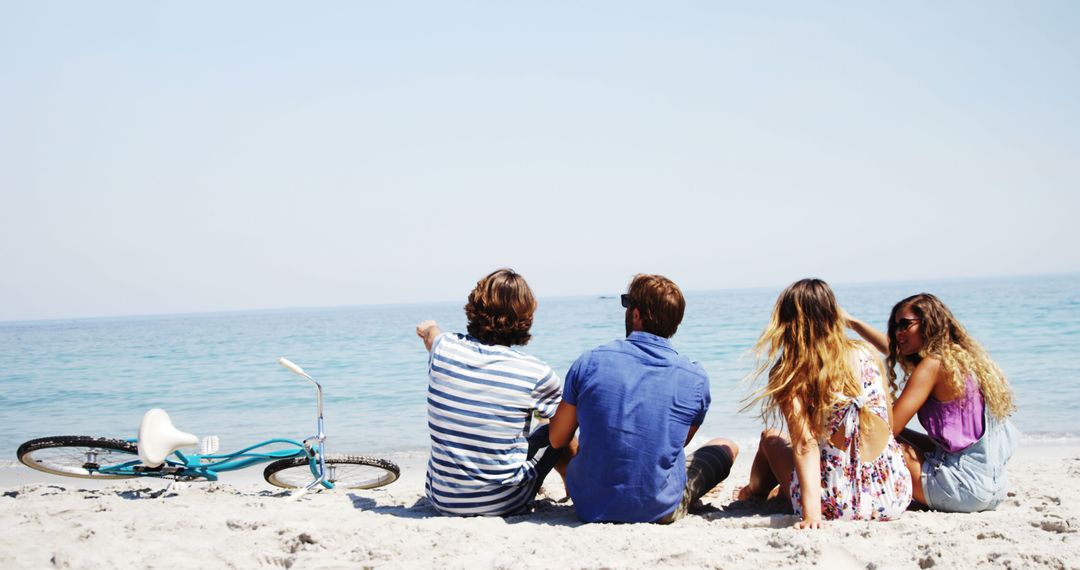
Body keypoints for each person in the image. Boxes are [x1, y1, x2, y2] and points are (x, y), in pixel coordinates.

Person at [548, 273, 738, 523]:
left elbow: (556, 438)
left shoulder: (590, 362)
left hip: (589, 505)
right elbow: (676, 444)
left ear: (636, 315)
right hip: (658, 510)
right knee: (726, 446)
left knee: (563, 427)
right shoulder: (695, 377)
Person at [739, 279, 912, 528]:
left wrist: (812, 516)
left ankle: (751, 492)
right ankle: (757, 491)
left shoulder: (792, 370)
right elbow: (888, 425)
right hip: (891, 495)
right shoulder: (867, 353)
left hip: (834, 502)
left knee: (770, 439)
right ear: (834, 315)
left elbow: (804, 445)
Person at [845, 293, 1019, 513]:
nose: (899, 331)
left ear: (929, 323)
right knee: (901, 436)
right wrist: (853, 323)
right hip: (991, 489)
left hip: (961, 489)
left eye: (905, 324)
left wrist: (871, 391)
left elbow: (888, 429)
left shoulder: (932, 365)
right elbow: (894, 349)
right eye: (895, 325)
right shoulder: (962, 360)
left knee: (883, 439)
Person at [415, 268, 564, 516]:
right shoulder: (536, 372)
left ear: (473, 307)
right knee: (558, 429)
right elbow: (561, 432)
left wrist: (429, 327)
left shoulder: (443, 348)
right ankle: (571, 486)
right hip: (505, 502)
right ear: (527, 318)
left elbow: (431, 335)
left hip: (443, 500)